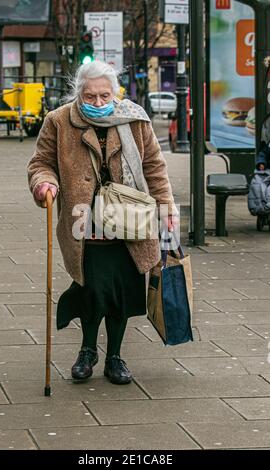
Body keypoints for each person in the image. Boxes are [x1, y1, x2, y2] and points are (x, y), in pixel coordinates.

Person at [27, 61, 177, 385]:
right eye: (90, 96)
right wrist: (44, 184)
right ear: (78, 92)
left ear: (115, 93)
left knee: (121, 292)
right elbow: (41, 163)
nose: (97, 102)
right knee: (93, 289)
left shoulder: (135, 120)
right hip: (86, 224)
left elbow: (154, 168)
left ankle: (114, 356)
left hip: (130, 222)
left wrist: (167, 209)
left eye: (104, 95)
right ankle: (87, 350)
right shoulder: (58, 121)